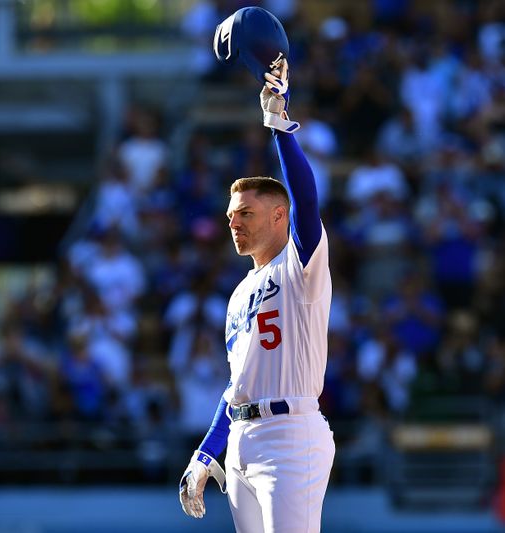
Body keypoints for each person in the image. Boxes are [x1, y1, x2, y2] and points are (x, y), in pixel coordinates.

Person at [179, 59, 335, 532]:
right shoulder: (239, 292)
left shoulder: (300, 264)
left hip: (291, 433)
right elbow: (236, 386)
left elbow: (307, 201)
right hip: (243, 439)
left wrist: (279, 126)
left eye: (245, 212)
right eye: (231, 213)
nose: (233, 221)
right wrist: (206, 452)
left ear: (278, 217)